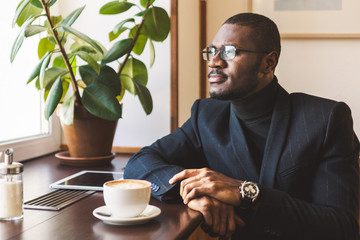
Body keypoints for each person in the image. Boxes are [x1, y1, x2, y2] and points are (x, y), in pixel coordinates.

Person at [124, 13, 359, 240]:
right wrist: (194, 194)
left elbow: (341, 227)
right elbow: (140, 163)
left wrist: (244, 192)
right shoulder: (205, 115)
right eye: (212, 51)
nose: (214, 62)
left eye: (229, 52)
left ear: (269, 62)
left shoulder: (326, 119)